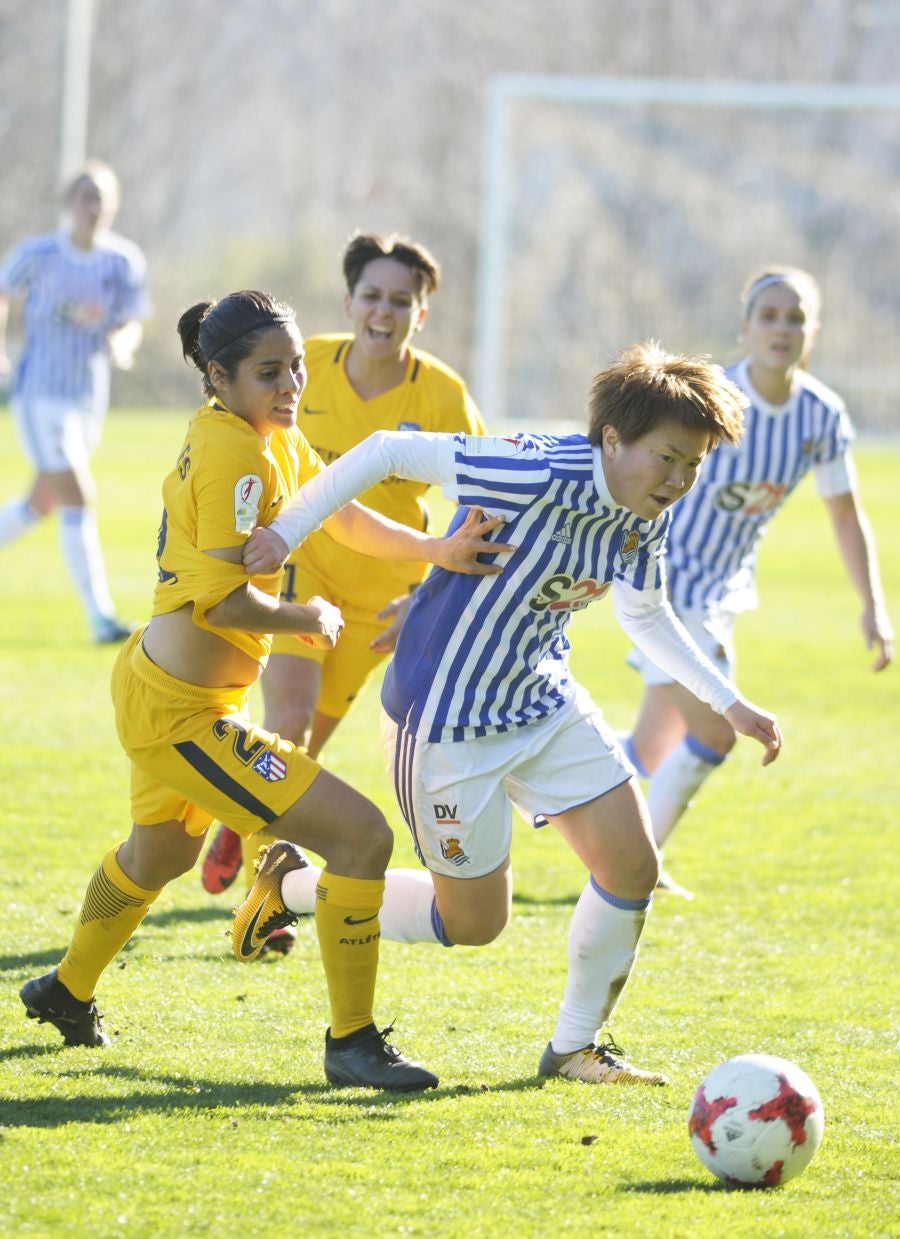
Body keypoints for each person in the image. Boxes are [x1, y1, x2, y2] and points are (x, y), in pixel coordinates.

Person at [234, 340, 784, 1086]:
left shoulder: (644, 506)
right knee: (475, 925)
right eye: (669, 458)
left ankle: (573, 1047)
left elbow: (647, 614)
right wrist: (284, 534)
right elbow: (385, 448)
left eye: (693, 464)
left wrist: (730, 701)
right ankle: (289, 886)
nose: (681, 480)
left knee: (632, 862)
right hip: (445, 718)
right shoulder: (532, 468)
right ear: (612, 438)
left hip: (540, 699)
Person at [19, 290, 509, 1091]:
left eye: (297, 367)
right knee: (362, 838)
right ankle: (351, 1044)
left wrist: (435, 548)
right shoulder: (232, 453)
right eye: (268, 371)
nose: (291, 384)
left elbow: (338, 516)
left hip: (174, 690)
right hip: (181, 713)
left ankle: (66, 989)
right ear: (218, 376)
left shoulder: (268, 438)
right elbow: (219, 600)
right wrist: (303, 613)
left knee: (161, 852)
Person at [201, 233, 487, 932]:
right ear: (349, 300)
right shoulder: (303, 366)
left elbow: (481, 500)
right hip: (305, 569)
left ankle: (246, 823)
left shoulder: (444, 395)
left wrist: (425, 593)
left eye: (401, 300)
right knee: (288, 719)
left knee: (303, 748)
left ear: (420, 314)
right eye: (372, 295)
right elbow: (235, 429)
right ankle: (269, 908)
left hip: (385, 594)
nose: (382, 311)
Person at [617, 268, 894, 899]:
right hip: (669, 585)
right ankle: (639, 871)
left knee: (651, 748)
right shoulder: (713, 402)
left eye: (795, 317)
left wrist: (874, 606)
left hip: (723, 594)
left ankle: (534, 775)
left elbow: (845, 513)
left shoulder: (821, 416)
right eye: (768, 315)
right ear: (744, 328)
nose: (781, 328)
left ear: (812, 331)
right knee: (714, 730)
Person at [0, 160, 149, 643]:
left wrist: (122, 341)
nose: (93, 207)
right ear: (69, 204)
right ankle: (100, 617)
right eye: (85, 197)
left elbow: (131, 319)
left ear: (113, 208)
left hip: (87, 398)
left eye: (101, 198)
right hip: (39, 395)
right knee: (79, 495)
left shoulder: (122, 261)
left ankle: (98, 615)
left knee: (41, 502)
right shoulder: (39, 255)